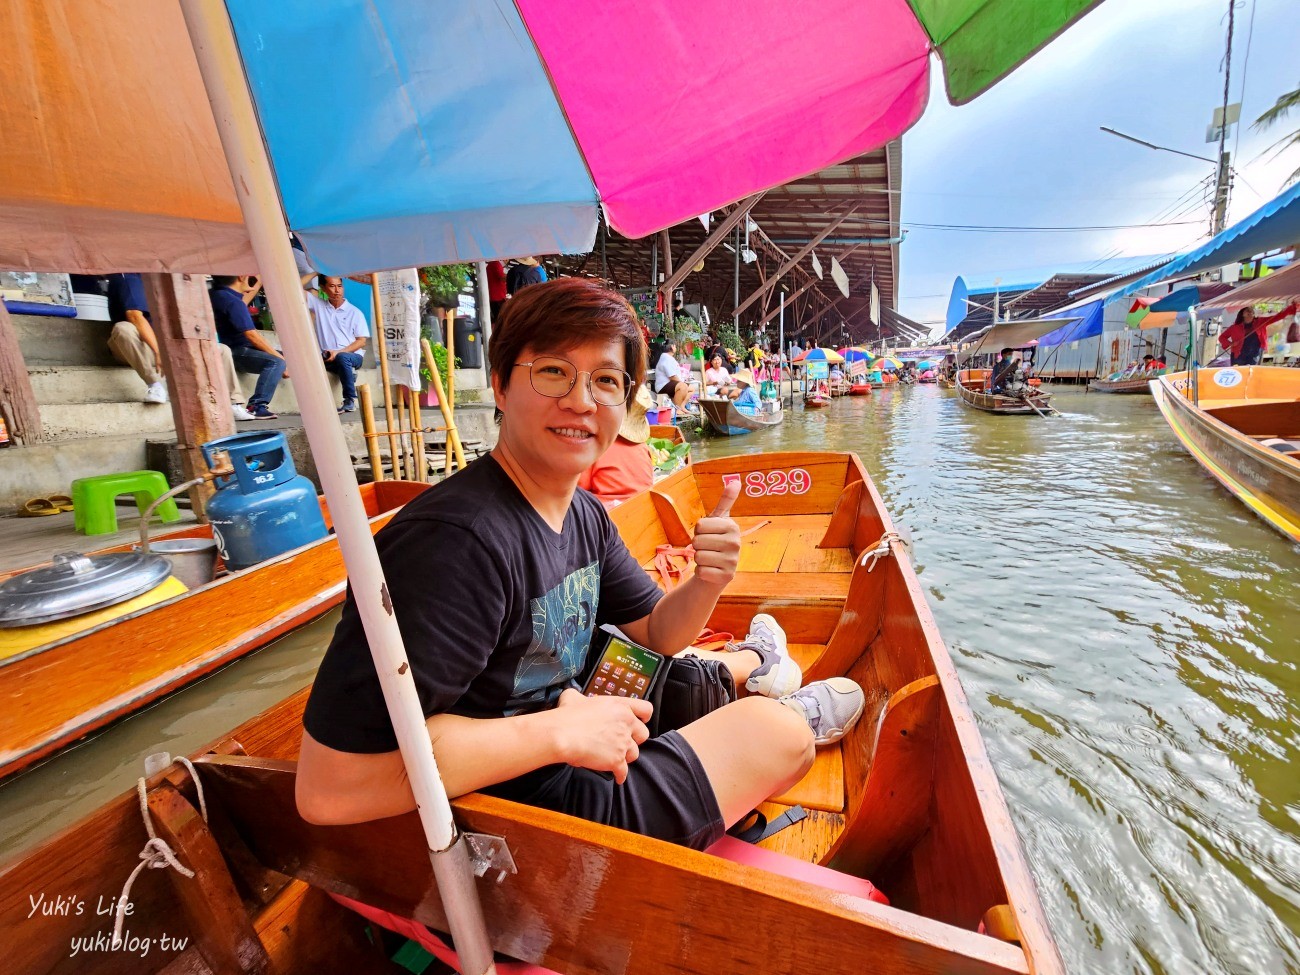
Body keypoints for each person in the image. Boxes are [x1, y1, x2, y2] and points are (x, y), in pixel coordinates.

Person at [295, 278, 865, 851]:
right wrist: (559, 731)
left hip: (569, 736)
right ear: (500, 385)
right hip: (513, 817)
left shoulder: (583, 513)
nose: (581, 401)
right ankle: (783, 711)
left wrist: (707, 581)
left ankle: (744, 680)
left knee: (678, 671)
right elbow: (331, 788)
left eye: (606, 381)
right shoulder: (454, 544)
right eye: (553, 372)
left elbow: (661, 632)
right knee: (778, 735)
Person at [103, 272, 256, 420]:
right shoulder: (127, 276)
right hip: (133, 349)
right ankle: (155, 384)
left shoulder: (166, 283)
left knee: (221, 350)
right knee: (123, 328)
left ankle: (234, 404)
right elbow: (134, 316)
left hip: (165, 348)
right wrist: (158, 351)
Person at [210, 275, 287, 420]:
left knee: (286, 359)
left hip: (231, 349)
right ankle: (256, 406)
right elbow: (252, 336)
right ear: (241, 277)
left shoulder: (219, 295)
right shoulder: (232, 301)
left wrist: (258, 282)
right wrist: (280, 358)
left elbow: (242, 302)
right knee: (277, 362)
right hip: (237, 351)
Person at [577, 385, 655, 509]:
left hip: (609, 515)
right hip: (643, 509)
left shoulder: (599, 445)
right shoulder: (642, 447)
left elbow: (577, 486)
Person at [304, 276, 371, 413]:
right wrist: (315, 271)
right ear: (323, 288)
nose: (337, 290)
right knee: (308, 359)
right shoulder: (318, 306)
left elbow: (361, 341)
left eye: (339, 286)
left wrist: (339, 352)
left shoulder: (355, 312)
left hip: (352, 356)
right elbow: (293, 287)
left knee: (342, 358)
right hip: (327, 356)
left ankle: (350, 400)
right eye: (332, 286)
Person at [653, 341, 692, 413]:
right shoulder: (666, 358)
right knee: (683, 386)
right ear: (672, 347)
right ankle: (678, 409)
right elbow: (672, 377)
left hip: (671, 384)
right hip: (663, 386)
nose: (676, 348)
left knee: (691, 389)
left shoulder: (669, 358)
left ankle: (682, 406)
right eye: (675, 346)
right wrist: (682, 383)